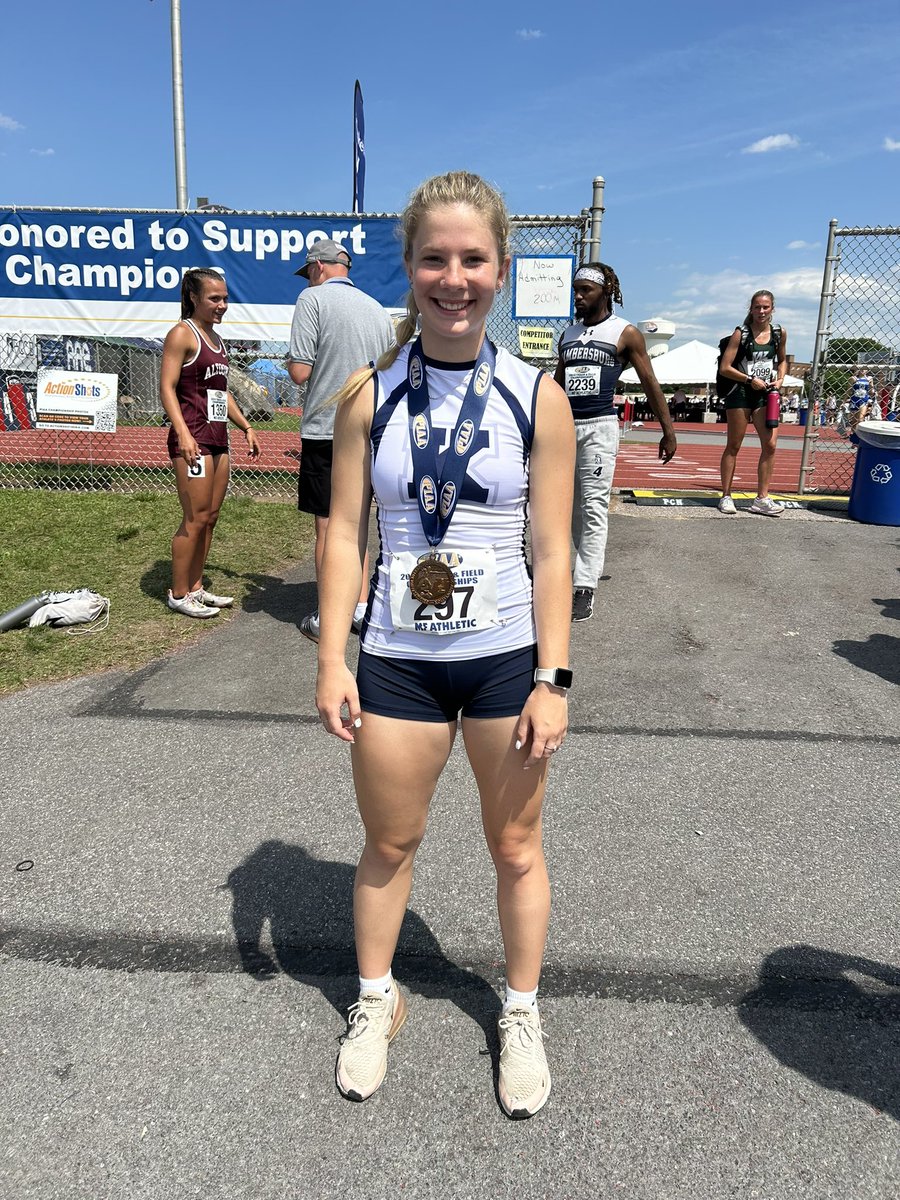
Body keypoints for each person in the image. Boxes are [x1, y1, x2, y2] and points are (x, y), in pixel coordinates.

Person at [315, 171, 576, 1119]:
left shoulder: (537, 397)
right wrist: (331, 657)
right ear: (410, 266)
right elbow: (345, 535)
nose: (453, 278)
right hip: (398, 660)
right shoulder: (368, 395)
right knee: (389, 843)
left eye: (472, 259)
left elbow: (552, 549)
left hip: (506, 659)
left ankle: (521, 1010)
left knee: (516, 846)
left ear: (500, 270)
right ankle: (376, 999)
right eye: (434, 258)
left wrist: (553, 678)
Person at [554, 263, 677, 622]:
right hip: (566, 428)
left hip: (599, 427)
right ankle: (582, 566)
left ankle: (584, 586)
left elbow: (650, 381)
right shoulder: (568, 335)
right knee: (571, 508)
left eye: (585, 290)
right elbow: (557, 386)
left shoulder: (624, 333)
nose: (578, 297)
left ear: (605, 292)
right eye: (575, 290)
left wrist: (668, 430)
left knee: (594, 506)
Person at [287, 238, 395, 643]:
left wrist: (295, 359)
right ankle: (361, 606)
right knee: (358, 521)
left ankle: (329, 613)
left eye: (309, 272)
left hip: (326, 428)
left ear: (318, 267)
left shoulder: (311, 299)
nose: (308, 278)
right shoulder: (376, 309)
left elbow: (299, 372)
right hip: (371, 427)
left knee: (329, 526)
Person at [160, 268, 260, 618]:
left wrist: (245, 426)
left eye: (225, 299)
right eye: (214, 299)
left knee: (211, 517)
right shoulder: (181, 334)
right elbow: (167, 388)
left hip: (218, 439)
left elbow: (221, 392)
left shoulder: (216, 340)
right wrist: (183, 433)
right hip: (193, 439)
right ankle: (178, 593)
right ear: (193, 298)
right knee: (195, 517)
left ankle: (196, 586)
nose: (222, 305)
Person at [717, 290, 787, 517]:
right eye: (757, 307)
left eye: (766, 307)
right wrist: (749, 379)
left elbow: (782, 360)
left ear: (772, 309)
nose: (761, 311)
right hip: (740, 393)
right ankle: (726, 496)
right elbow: (725, 368)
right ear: (751, 309)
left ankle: (762, 498)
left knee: (770, 445)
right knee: (734, 445)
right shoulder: (741, 333)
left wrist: (780, 379)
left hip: (765, 394)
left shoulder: (779, 333)